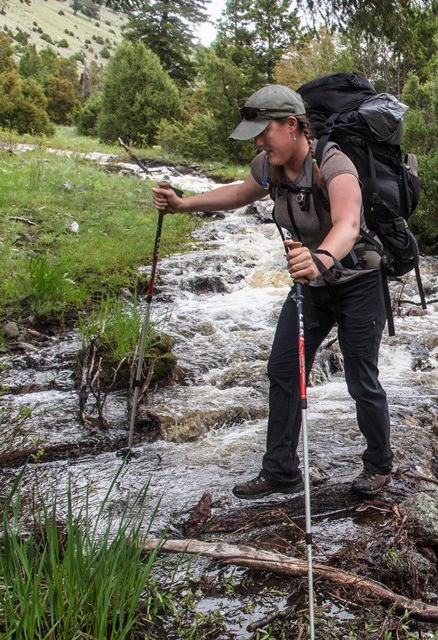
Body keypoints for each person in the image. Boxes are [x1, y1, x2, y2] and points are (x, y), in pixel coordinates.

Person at [152, 84, 393, 499]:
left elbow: (348, 224)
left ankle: (378, 465)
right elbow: (240, 193)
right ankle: (280, 469)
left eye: (265, 132)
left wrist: (320, 258)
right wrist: (182, 204)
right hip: (312, 284)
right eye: (256, 135)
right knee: (284, 369)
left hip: (357, 284)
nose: (260, 142)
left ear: (293, 125)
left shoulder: (334, 162)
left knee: (360, 378)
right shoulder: (269, 165)